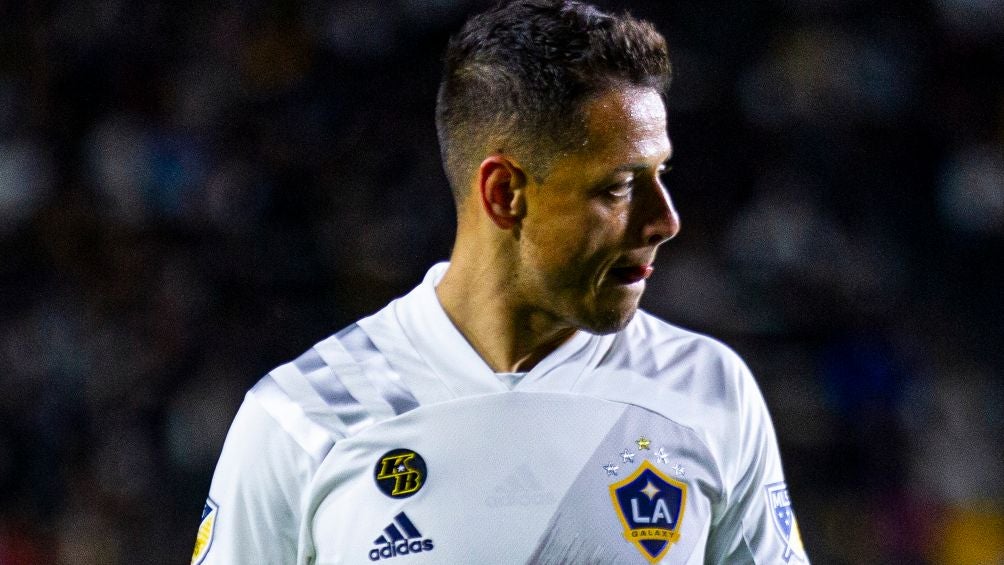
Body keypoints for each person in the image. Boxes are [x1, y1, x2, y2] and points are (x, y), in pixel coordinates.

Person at [193, 1, 808, 563]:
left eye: (660, 174)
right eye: (620, 186)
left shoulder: (709, 391)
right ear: (504, 192)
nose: (665, 221)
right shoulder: (304, 415)